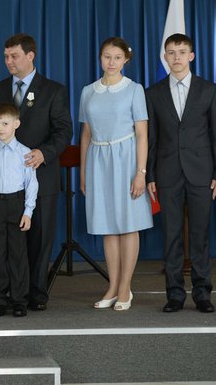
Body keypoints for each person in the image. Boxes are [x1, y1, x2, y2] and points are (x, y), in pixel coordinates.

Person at [0, 33, 72, 311]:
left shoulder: (53, 90)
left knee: (39, 239)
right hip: (3, 185)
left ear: (30, 56)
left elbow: (63, 131)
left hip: (42, 176)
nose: (9, 61)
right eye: (6, 56)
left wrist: (44, 153)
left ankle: (36, 293)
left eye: (14, 56)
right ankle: (6, 294)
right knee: (5, 244)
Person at [146, 33, 216, 314]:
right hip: (167, 172)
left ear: (191, 56)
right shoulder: (153, 93)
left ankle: (202, 293)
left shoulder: (209, 90)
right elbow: (152, 138)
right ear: (165, 57)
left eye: (181, 52)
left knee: (200, 235)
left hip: (202, 173)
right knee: (171, 236)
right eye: (171, 52)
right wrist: (150, 175)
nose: (176, 57)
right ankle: (175, 294)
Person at [79, 37, 153, 311]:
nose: (111, 62)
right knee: (107, 226)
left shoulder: (134, 90)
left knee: (128, 224)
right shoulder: (88, 91)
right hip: (98, 161)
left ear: (126, 60)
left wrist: (140, 172)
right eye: (107, 56)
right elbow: (85, 135)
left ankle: (125, 288)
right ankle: (112, 286)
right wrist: (83, 173)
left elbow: (142, 134)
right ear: (100, 57)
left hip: (126, 160)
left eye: (117, 58)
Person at [0, 103, 38, 317]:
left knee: (18, 254)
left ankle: (19, 300)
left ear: (16, 124)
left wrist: (28, 212)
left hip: (16, 204)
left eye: (5, 123)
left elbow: (32, 185)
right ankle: (0, 299)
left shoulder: (25, 153)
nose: (0, 128)